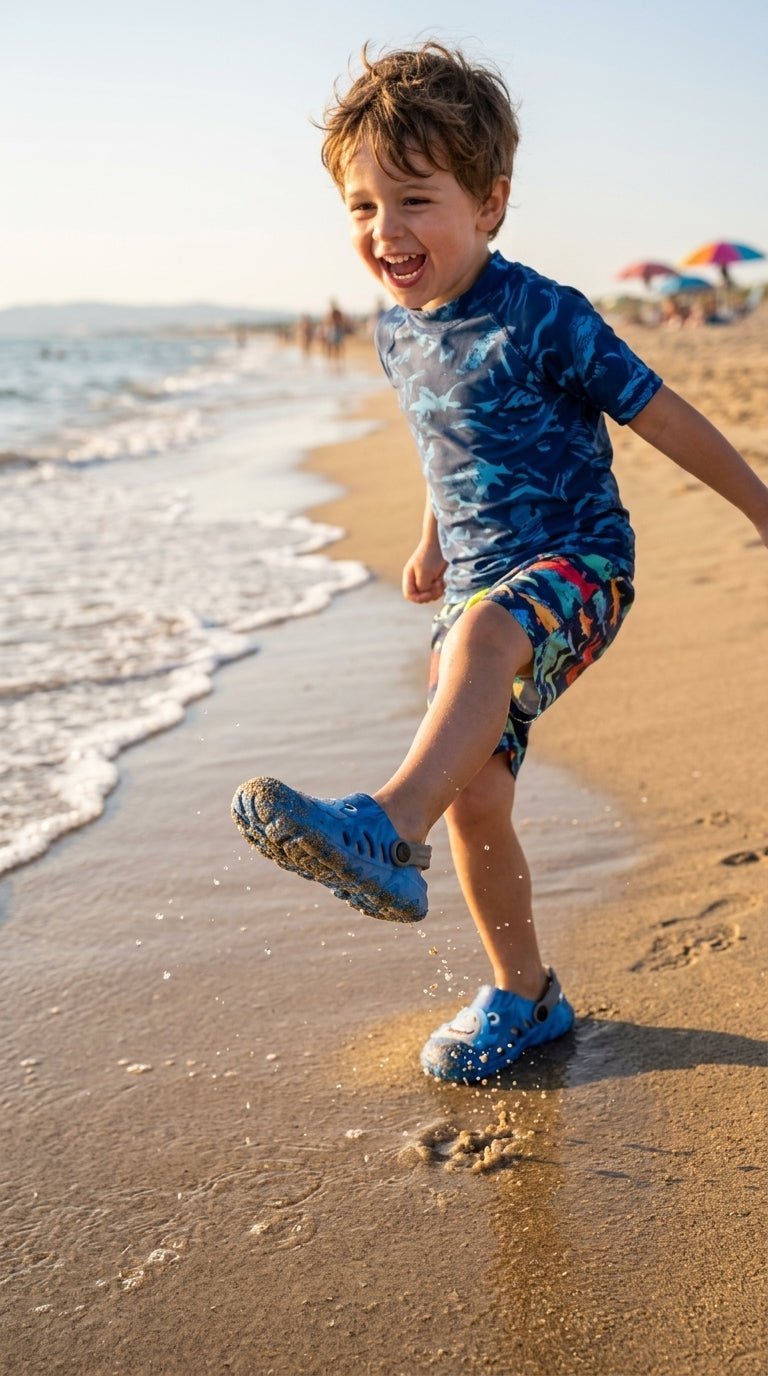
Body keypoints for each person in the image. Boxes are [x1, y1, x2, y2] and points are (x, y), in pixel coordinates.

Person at [232, 43, 768, 1084]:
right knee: (477, 792)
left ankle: (384, 828)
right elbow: (444, 439)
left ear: (491, 202)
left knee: (480, 644)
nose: (385, 230)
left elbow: (662, 413)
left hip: (579, 565)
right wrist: (433, 540)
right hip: (479, 582)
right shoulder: (397, 334)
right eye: (361, 206)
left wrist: (759, 502)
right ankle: (525, 994)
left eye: (415, 200)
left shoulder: (545, 313)